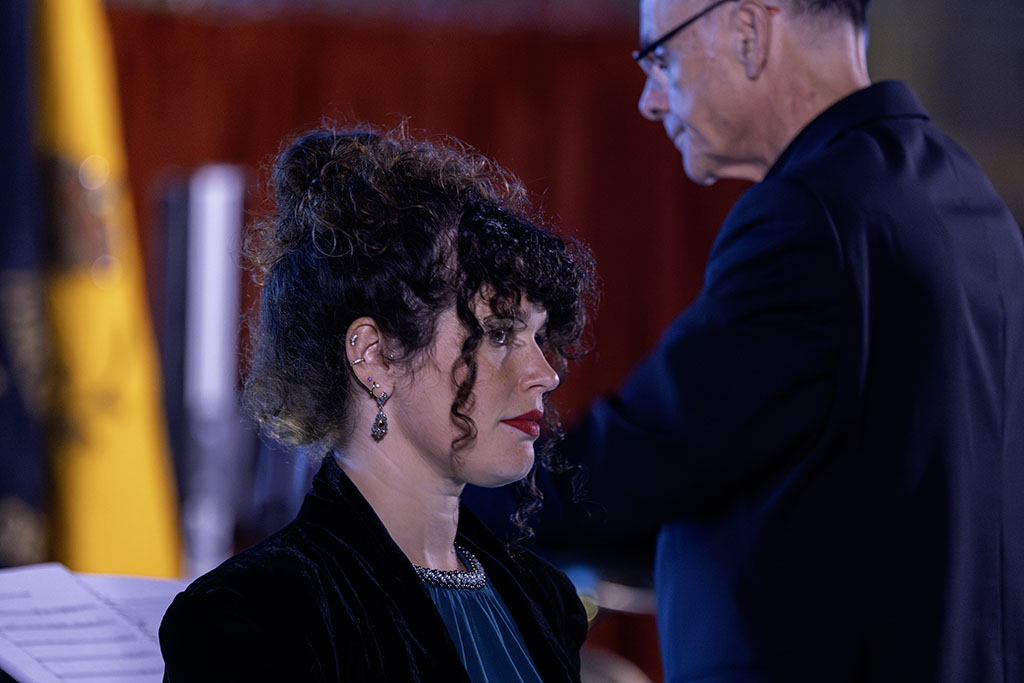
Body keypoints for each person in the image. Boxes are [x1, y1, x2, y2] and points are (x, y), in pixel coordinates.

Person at [557, 0, 1024, 681]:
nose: (649, 101)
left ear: (749, 31)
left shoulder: (813, 216)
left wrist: (455, 484)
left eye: (661, 57)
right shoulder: (969, 198)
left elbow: (647, 458)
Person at [159, 125, 595, 682]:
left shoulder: (546, 601)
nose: (545, 374)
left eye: (537, 336)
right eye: (499, 334)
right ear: (374, 356)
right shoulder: (256, 615)